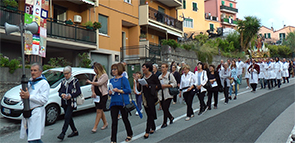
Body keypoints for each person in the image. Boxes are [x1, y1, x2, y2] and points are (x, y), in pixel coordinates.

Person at [19, 63, 49, 143]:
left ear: (40, 72)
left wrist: (29, 96)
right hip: (28, 111)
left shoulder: (44, 84)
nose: (32, 72)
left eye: (35, 70)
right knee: (31, 136)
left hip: (36, 112)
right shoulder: (29, 82)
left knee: (33, 139)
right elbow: (26, 96)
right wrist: (23, 96)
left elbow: (44, 100)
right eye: (31, 70)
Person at [109, 63, 133, 143]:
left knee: (125, 119)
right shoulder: (111, 80)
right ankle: (113, 139)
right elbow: (110, 91)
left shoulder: (124, 79)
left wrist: (119, 90)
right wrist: (110, 92)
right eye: (112, 69)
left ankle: (129, 134)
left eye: (115, 69)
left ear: (119, 69)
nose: (113, 71)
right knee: (114, 121)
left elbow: (128, 90)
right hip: (113, 102)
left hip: (123, 102)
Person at [137, 62, 161, 139]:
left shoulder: (153, 77)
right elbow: (139, 89)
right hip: (145, 97)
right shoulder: (143, 77)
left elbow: (159, 86)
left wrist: (149, 86)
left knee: (150, 113)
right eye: (142, 67)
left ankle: (147, 130)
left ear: (148, 68)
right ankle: (153, 127)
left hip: (152, 96)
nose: (142, 69)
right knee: (148, 113)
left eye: (144, 67)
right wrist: (137, 82)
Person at [57, 66, 81, 140]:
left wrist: (71, 95)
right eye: (64, 74)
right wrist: (62, 94)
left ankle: (63, 133)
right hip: (64, 102)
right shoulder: (63, 81)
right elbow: (60, 91)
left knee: (67, 116)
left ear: (70, 73)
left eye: (67, 73)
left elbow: (78, 92)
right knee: (69, 117)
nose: (65, 75)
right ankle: (75, 131)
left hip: (71, 102)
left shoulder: (75, 81)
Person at [86, 63, 109, 133]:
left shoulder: (104, 76)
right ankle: (105, 123)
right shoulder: (96, 76)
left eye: (95, 69)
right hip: (97, 96)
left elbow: (99, 83)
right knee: (100, 110)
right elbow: (93, 85)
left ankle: (95, 127)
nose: (95, 71)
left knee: (99, 110)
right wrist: (93, 92)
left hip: (103, 95)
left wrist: (90, 82)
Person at [158, 63, 177, 128]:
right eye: (161, 67)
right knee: (164, 108)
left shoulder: (169, 75)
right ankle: (171, 117)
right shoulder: (160, 77)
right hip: (161, 94)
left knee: (165, 108)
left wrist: (166, 85)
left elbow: (174, 84)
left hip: (168, 93)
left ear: (166, 68)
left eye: (163, 67)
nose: (162, 68)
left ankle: (164, 122)